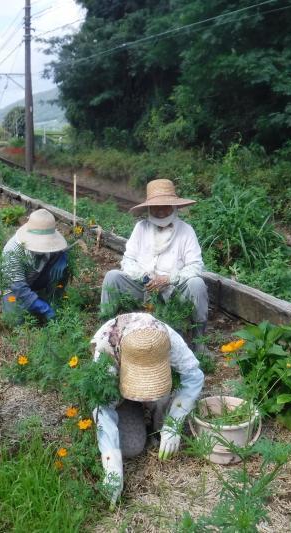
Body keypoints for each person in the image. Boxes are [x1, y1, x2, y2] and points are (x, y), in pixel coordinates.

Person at [90, 312, 204, 506]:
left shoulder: (167, 339)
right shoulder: (106, 349)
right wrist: (111, 461)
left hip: (159, 393)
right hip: (120, 395)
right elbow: (102, 405)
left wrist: (174, 420)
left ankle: (157, 424)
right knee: (132, 448)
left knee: (163, 425)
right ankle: (136, 413)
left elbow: (193, 376)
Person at [100, 179, 208, 351]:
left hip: (173, 290)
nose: (160, 211)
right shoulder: (141, 228)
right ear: (149, 208)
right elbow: (127, 260)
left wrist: (168, 279)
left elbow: (195, 266)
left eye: (165, 206)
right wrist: (144, 278)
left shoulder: (186, 230)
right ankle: (107, 333)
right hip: (143, 287)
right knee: (112, 277)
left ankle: (199, 341)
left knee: (197, 283)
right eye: (155, 206)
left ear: (173, 207)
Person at [0, 208, 69, 321]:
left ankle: (55, 297)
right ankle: (41, 303)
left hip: (36, 276)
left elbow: (64, 246)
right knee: (16, 322)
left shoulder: (51, 238)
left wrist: (63, 256)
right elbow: (18, 287)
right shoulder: (12, 251)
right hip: (13, 287)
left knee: (65, 267)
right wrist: (44, 308)